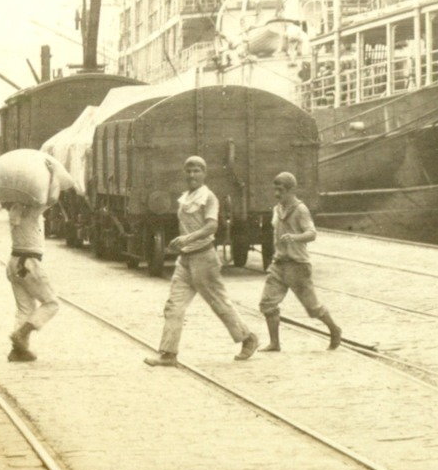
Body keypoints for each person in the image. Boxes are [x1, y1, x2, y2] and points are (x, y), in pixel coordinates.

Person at [145, 156, 258, 367]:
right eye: (188, 171)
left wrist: (188, 238)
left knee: (219, 304)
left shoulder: (209, 197)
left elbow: (211, 227)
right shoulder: (186, 197)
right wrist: (178, 245)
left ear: (204, 173)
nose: (192, 175)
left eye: (196, 171)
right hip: (185, 261)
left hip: (205, 259)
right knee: (173, 306)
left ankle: (247, 338)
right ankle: (168, 354)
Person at [258, 172, 343, 352]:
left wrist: (295, 237)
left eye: (280, 190)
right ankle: (275, 343)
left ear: (291, 190)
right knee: (267, 303)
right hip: (279, 264)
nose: (276, 194)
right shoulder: (277, 209)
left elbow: (312, 233)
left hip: (298, 266)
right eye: (275, 190)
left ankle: (334, 330)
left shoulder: (300, 209)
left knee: (313, 309)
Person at [3, 196, 59, 362]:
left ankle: (18, 351)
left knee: (25, 308)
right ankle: (22, 333)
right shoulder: (32, 209)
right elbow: (53, 198)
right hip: (29, 263)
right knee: (52, 303)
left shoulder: (14, 208)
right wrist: (53, 173)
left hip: (14, 262)